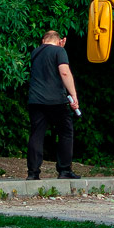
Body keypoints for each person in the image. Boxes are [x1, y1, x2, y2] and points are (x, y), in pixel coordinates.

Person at [27, 29, 80, 180]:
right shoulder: (59, 51)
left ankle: (33, 173)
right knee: (65, 132)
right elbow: (64, 72)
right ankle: (64, 170)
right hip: (56, 100)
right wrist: (73, 95)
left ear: (43, 41)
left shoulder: (35, 53)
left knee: (36, 134)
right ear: (59, 41)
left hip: (36, 100)